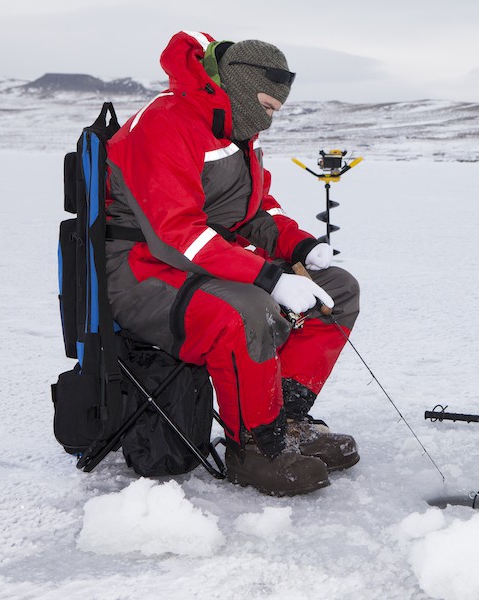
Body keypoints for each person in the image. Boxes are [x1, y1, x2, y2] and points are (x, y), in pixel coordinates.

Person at [103, 31, 360, 496]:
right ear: (239, 88)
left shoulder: (236, 132)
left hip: (201, 265)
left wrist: (299, 247)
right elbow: (174, 235)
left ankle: (286, 422)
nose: (269, 118)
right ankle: (255, 449)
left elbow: (255, 212)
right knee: (247, 309)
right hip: (144, 275)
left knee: (337, 290)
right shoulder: (164, 124)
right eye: (266, 104)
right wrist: (268, 277)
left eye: (276, 110)